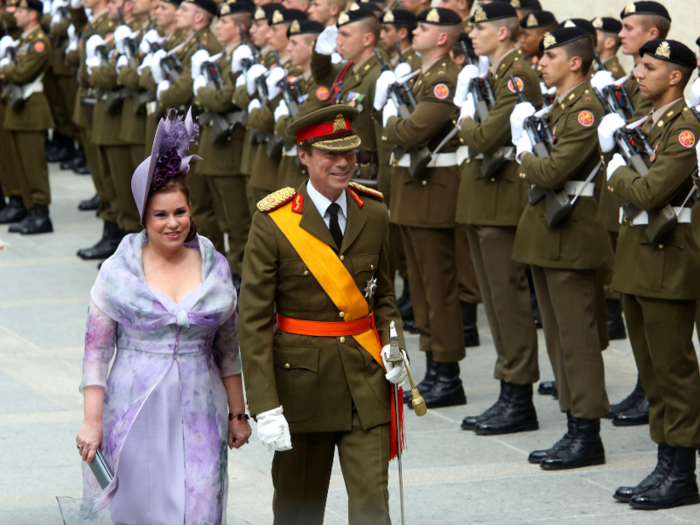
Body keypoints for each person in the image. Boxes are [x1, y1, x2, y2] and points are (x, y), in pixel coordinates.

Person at [58, 110, 251, 523]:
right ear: (144, 217)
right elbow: (95, 354)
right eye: (160, 215)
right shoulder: (118, 270)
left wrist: (238, 413)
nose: (173, 224)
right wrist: (92, 423)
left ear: (191, 209)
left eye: (180, 212)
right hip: (135, 407)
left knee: (202, 505)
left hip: (201, 406)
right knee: (142, 511)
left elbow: (228, 348)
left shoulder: (214, 264)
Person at [239, 105, 407, 524]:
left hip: (364, 384)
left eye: (349, 153)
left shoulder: (375, 212)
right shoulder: (275, 221)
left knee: (373, 507)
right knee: (299, 510)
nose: (343, 163)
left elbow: (384, 296)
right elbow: (254, 320)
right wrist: (265, 404)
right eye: (329, 154)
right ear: (304, 156)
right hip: (301, 389)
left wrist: (393, 345)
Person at [602, 39, 700, 511]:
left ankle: (682, 472)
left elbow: (647, 191)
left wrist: (616, 169)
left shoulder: (684, 130)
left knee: (674, 371)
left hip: (668, 265)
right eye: (638, 65)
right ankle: (665, 463)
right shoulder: (645, 125)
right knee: (652, 371)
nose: (638, 73)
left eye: (649, 66)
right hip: (639, 261)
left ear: (676, 76)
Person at [510, 26, 612, 469]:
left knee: (578, 339)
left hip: (572, 238)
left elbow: (553, 171)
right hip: (548, 236)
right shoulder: (560, 105)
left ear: (575, 62)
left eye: (549, 55)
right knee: (557, 338)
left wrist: (521, 155)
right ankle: (573, 424)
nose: (541, 61)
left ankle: (587, 432)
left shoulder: (585, 107)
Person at [455, 2, 541, 435]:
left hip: (502, 201)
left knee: (508, 301)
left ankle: (519, 395)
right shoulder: (491, 73)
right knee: (494, 301)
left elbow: (488, 137)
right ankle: (508, 389)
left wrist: (465, 115)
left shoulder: (517, 74)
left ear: (504, 33)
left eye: (481, 26)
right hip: (481, 198)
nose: (472, 33)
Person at [379, 7, 466, 409]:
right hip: (412, 194)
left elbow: (413, 132)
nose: (416, 31)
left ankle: (447, 371)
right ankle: (434, 365)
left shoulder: (444, 78)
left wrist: (390, 117)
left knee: (438, 287)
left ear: (444, 38)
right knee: (421, 286)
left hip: (433, 195)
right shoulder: (419, 75)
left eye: (426, 27)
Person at [596, 0, 671, 427]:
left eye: (628, 28)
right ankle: (646, 386)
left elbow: (646, 149)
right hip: (621, 205)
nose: (620, 35)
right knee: (636, 311)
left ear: (653, 36)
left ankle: (656, 393)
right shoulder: (626, 79)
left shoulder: (659, 89)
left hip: (647, 207)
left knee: (662, 327)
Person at [192, 0, 255, 292]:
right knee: (211, 215)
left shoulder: (242, 58)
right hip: (212, 147)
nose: (218, 25)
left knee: (236, 220)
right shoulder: (220, 58)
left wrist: (202, 91)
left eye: (225, 22)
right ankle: (217, 270)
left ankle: (240, 275)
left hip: (229, 149)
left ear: (241, 28)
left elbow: (222, 100)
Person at [1, 0, 55, 234]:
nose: (16, 15)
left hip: (32, 109)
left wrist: (3, 68)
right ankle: (30, 210)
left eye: (21, 11)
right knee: (21, 165)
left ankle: (41, 214)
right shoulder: (24, 41)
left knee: (33, 166)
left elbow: (23, 72)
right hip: (18, 108)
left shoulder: (39, 42)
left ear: (33, 15)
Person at [518, 10, 557, 83]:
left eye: (526, 35)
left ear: (544, 37)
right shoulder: (527, 63)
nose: (521, 40)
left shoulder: (556, 69)